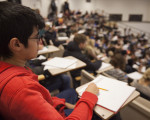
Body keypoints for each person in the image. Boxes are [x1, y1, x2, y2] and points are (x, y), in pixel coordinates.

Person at [0, 2, 99, 120]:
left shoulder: (12, 71)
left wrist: (60, 104)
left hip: (49, 107)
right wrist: (89, 97)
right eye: (37, 37)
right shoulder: (22, 90)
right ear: (16, 44)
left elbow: (42, 98)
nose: (40, 41)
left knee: (71, 91)